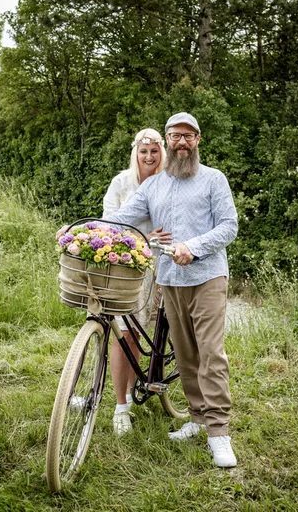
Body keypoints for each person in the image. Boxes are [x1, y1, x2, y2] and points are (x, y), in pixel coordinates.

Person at [104, 112, 238, 468]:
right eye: (175, 136)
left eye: (188, 136)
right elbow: (122, 218)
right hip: (170, 282)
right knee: (186, 355)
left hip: (207, 277)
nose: (181, 142)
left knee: (210, 353)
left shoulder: (214, 179)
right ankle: (196, 418)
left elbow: (229, 227)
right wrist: (90, 232)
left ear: (197, 140)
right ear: (168, 139)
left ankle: (219, 432)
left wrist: (192, 247)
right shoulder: (153, 186)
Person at [102, 128, 172, 436]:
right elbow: (110, 221)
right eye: (144, 152)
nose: (148, 157)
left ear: (161, 153)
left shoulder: (168, 183)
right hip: (125, 267)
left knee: (141, 335)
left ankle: (130, 393)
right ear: (136, 153)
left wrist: (159, 240)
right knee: (124, 334)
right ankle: (121, 407)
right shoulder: (122, 182)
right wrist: (142, 238)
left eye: (154, 151)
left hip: (155, 269)